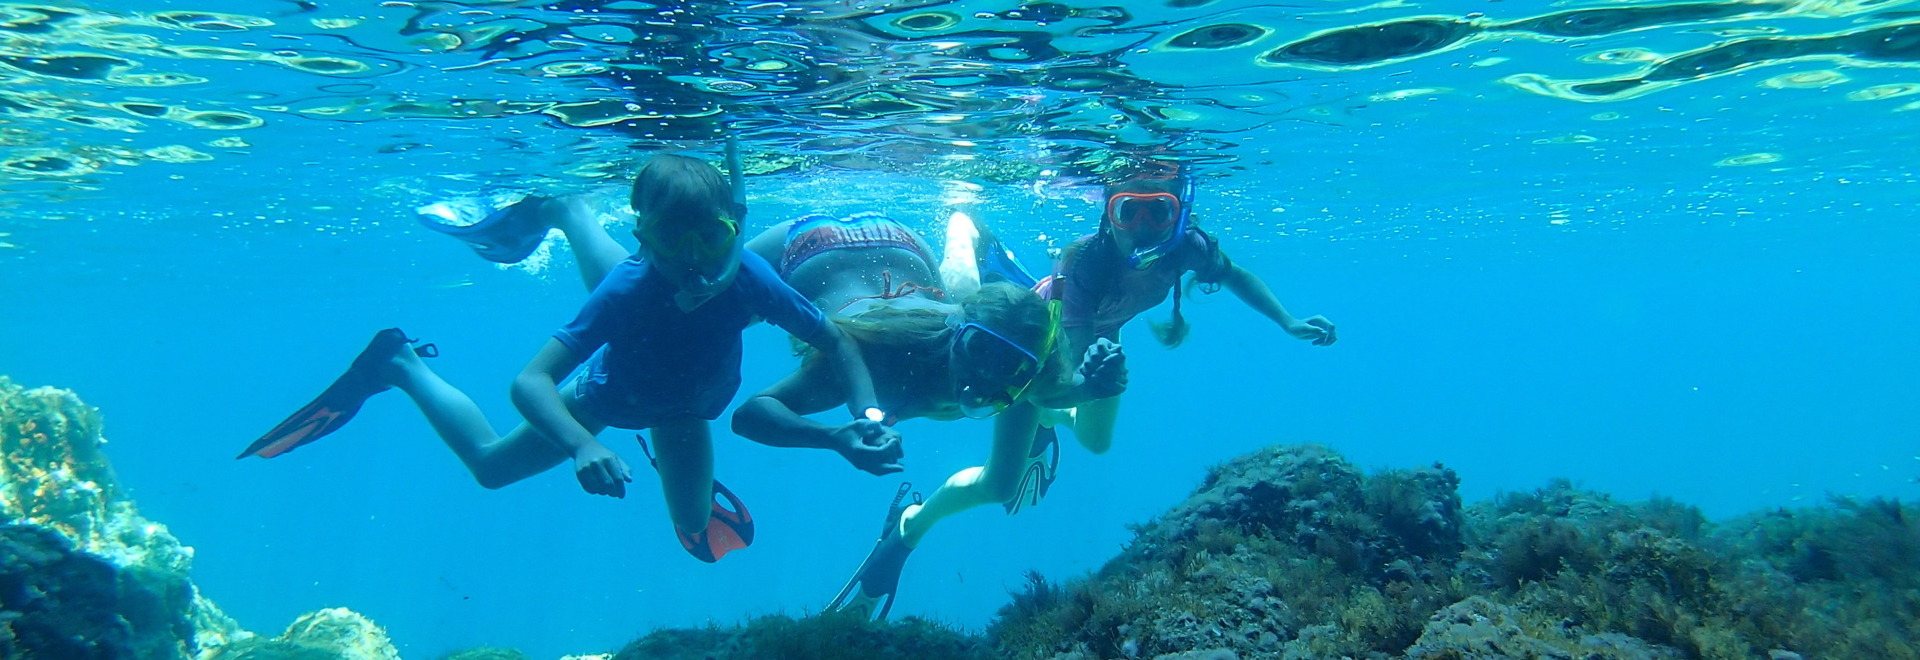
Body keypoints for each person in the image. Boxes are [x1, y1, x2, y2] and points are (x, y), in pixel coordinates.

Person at [239, 147, 893, 564]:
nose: (693, 260)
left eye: (710, 239)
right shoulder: (634, 285)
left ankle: (572, 209)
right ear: (646, 236)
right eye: (672, 240)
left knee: (695, 530)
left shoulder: (745, 274)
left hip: (684, 409)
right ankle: (401, 364)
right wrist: (582, 443)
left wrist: (867, 417)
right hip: (614, 396)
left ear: (732, 231)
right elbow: (530, 383)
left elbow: (835, 340)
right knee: (493, 467)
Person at [729, 211, 1127, 619]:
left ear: (1029, 370)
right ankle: (961, 221)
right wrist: (831, 438)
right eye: (977, 352)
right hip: (811, 243)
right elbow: (748, 415)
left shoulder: (1022, 369)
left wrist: (1098, 383)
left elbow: (1054, 385)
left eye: (1011, 371)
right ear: (957, 332)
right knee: (707, 297)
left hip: (907, 251)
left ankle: (909, 528)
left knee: (1002, 486)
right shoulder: (879, 356)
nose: (982, 380)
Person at [1039, 169, 1337, 457]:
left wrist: (1289, 321)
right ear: (1109, 215)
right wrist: (1079, 383)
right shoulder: (1083, 261)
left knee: (1096, 444)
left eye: (1158, 211)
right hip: (1043, 330)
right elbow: (1076, 354)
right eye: (1128, 211)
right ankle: (1037, 405)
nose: (1142, 227)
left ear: (1179, 216)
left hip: (1101, 338)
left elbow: (1235, 276)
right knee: (1039, 399)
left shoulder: (1187, 248)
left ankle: (1050, 413)